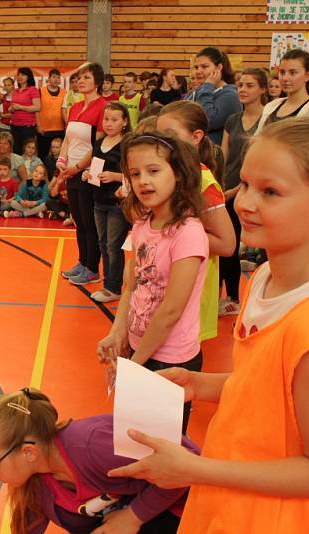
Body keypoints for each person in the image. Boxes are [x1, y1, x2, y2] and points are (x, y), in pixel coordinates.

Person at [109, 119, 309, 534]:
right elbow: (268, 387)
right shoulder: (264, 279)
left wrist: (196, 469)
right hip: (232, 503)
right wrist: (202, 384)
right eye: (246, 184)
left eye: (270, 192)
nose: (246, 203)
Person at [97, 131, 208, 431]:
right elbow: (130, 286)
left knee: (161, 449)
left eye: (154, 171)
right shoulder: (143, 225)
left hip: (170, 360)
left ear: (179, 175)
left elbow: (171, 310)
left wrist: (135, 365)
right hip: (139, 351)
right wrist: (118, 332)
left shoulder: (188, 233)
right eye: (135, 173)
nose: (143, 180)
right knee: (134, 440)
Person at [0, 388, 196, 534]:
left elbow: (186, 467)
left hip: (185, 506)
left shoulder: (91, 448)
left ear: (28, 452)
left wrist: (132, 517)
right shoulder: (35, 483)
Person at [158, 101, 235, 342]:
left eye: (170, 135)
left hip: (191, 286)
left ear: (196, 137)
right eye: (158, 136)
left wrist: (174, 233)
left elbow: (226, 244)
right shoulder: (166, 174)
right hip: (164, 280)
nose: (162, 143)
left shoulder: (202, 181)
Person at [219, 68, 268, 316]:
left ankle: (234, 298)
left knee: (236, 245)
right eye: (240, 85)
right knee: (224, 246)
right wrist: (219, 186)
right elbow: (224, 156)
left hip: (247, 190)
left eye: (249, 85)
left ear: (263, 89)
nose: (243, 90)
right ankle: (219, 295)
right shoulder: (232, 120)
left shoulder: (266, 121)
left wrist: (238, 189)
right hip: (226, 188)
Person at [58, 62, 107, 286]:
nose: (81, 81)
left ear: (97, 82)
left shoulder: (104, 107)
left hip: (89, 170)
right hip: (71, 169)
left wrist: (77, 168)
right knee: (78, 220)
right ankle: (82, 261)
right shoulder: (75, 107)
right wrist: (62, 159)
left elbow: (97, 146)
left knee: (90, 221)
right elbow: (68, 138)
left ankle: (92, 268)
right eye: (78, 78)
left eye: (86, 77)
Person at [85, 102, 131, 303]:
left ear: (124, 122)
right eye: (106, 119)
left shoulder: (126, 145)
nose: (109, 123)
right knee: (103, 243)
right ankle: (108, 283)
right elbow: (95, 166)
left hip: (116, 203)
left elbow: (132, 174)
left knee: (114, 245)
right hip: (98, 201)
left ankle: (114, 287)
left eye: (114, 119)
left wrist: (115, 176)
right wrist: (89, 174)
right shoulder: (99, 143)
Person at [256, 49, 309, 132]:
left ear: (307, 75)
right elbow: (256, 139)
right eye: (282, 72)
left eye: (293, 73)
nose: (285, 78)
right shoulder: (271, 106)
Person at [188, 47, 241, 144]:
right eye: (196, 67)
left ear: (219, 68)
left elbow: (208, 121)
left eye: (204, 67)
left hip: (212, 154)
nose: (198, 71)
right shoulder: (196, 91)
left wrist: (208, 86)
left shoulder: (230, 95)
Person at [37, 69, 67, 159]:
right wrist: (38, 126)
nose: (56, 79)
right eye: (54, 77)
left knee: (59, 157)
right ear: (49, 79)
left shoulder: (64, 92)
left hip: (59, 129)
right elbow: (36, 110)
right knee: (43, 155)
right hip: (44, 130)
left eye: (58, 77)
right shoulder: (40, 91)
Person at [10, 67, 41, 155]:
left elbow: (37, 107)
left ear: (28, 77)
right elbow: (13, 106)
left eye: (23, 75)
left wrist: (20, 107)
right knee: (16, 151)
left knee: (26, 152)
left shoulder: (33, 90)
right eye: (18, 75)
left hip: (27, 127)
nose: (20, 77)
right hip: (14, 126)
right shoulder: (15, 91)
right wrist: (11, 108)